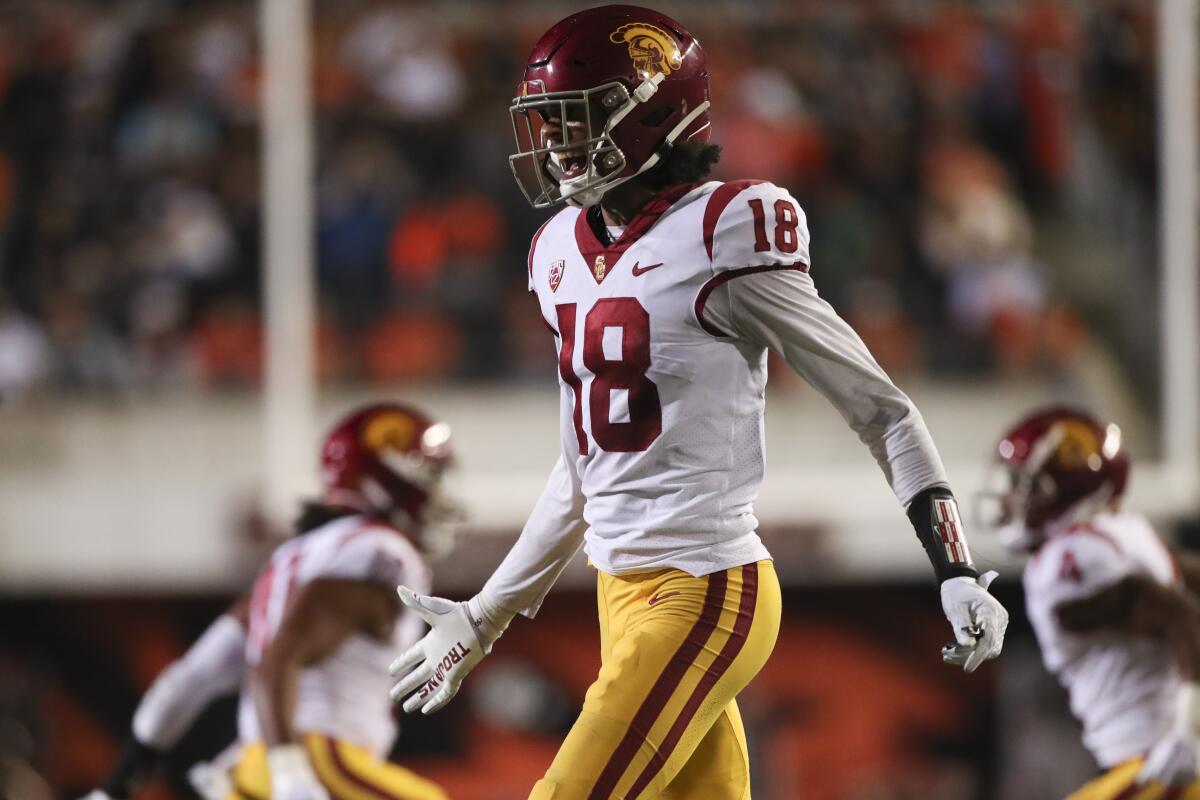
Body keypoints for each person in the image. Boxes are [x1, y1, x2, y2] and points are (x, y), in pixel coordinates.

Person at [388, 6, 1009, 799]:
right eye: (549, 124)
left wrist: (952, 563)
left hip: (709, 589)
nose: (555, 145)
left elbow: (883, 411)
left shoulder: (728, 228)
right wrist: (485, 615)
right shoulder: (556, 253)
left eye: (575, 122)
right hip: (622, 598)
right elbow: (584, 470)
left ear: (651, 115)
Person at [82, 403, 454, 800]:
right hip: (314, 758)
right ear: (387, 477)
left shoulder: (290, 559)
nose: (435, 491)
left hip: (248, 774)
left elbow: (188, 681)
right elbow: (280, 659)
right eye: (428, 474)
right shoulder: (380, 551)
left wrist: (115, 786)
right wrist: (291, 772)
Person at [986, 407, 1200, 800]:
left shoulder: (1067, 561)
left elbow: (1182, 615)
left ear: (1065, 486)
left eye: (1024, 486)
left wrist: (1190, 727)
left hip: (1161, 763)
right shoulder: (1124, 532)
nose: (1011, 500)